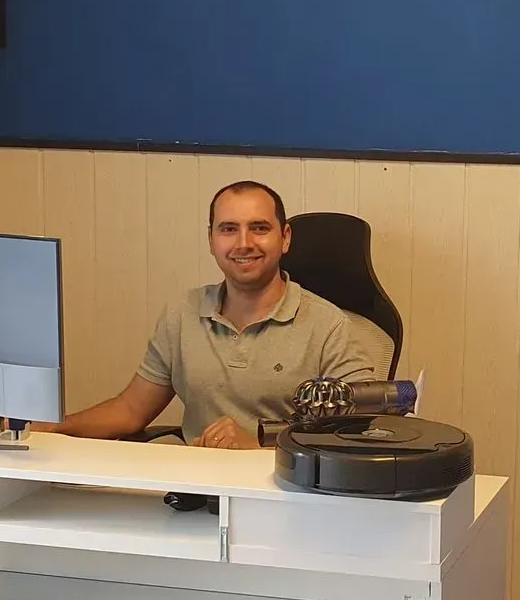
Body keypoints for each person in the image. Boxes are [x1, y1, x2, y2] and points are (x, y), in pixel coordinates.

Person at [45, 180, 379, 448]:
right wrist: (53, 426)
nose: (243, 243)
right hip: (200, 486)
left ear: (285, 238)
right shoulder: (182, 313)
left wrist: (256, 447)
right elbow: (131, 410)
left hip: (283, 491)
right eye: (228, 229)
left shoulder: (330, 326)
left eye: (259, 228)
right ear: (211, 240)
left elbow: (353, 434)